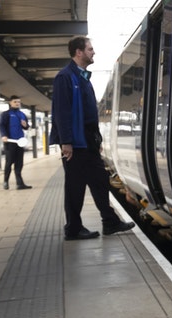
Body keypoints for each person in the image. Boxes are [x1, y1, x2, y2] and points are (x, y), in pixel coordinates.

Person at [50, 36, 135, 241]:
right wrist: (66, 142)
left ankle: (110, 221)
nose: (93, 52)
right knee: (75, 186)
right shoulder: (65, 77)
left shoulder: (83, 77)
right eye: (90, 49)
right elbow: (61, 112)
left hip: (88, 139)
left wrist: (97, 140)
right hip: (75, 141)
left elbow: (90, 114)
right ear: (78, 52)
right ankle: (73, 229)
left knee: (100, 180)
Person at [0, 95, 31, 190]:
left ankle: (20, 184)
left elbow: (26, 127)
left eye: (19, 102)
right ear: (10, 103)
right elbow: (1, 125)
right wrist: (3, 135)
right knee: (9, 162)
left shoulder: (22, 114)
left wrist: (25, 125)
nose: (17, 103)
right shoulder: (5, 114)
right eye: (15, 102)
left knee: (19, 163)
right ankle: (5, 181)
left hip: (20, 142)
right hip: (10, 142)